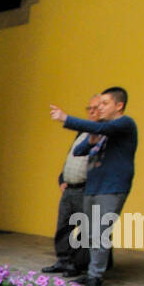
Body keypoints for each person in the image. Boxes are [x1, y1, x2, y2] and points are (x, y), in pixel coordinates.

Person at [50, 86, 138, 286]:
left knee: (100, 232)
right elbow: (80, 151)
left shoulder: (124, 123)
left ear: (119, 105)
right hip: (93, 187)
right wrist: (91, 138)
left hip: (112, 187)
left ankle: (96, 276)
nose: (100, 108)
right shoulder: (102, 129)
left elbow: (101, 128)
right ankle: (91, 271)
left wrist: (65, 118)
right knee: (89, 232)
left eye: (104, 104)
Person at [44, 96, 98, 275]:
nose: (91, 112)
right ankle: (63, 260)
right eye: (88, 108)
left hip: (86, 189)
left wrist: (64, 118)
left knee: (84, 229)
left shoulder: (101, 134)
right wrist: (62, 178)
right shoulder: (81, 133)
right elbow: (72, 159)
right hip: (70, 188)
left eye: (95, 108)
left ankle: (77, 264)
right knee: (63, 226)